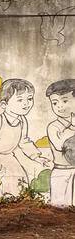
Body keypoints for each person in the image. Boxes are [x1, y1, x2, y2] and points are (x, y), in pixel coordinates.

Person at [0, 77, 50, 196]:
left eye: (29, 99)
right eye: (20, 100)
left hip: (9, 158)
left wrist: (37, 157)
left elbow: (24, 142)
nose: (26, 103)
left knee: (20, 179)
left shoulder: (22, 121)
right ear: (4, 104)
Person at [45, 79, 75, 207]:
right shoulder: (53, 126)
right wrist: (72, 128)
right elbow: (59, 145)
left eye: (65, 101)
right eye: (55, 103)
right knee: (59, 208)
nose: (59, 106)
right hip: (61, 172)